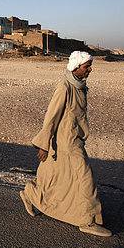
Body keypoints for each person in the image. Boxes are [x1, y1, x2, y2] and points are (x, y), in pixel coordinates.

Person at [20, 51, 112, 237]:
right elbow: (51, 117)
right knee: (86, 179)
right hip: (66, 142)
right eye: (87, 66)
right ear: (76, 67)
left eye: (89, 66)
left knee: (53, 178)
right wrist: (44, 144)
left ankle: (31, 194)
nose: (90, 70)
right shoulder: (64, 87)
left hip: (74, 139)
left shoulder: (79, 86)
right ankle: (88, 220)